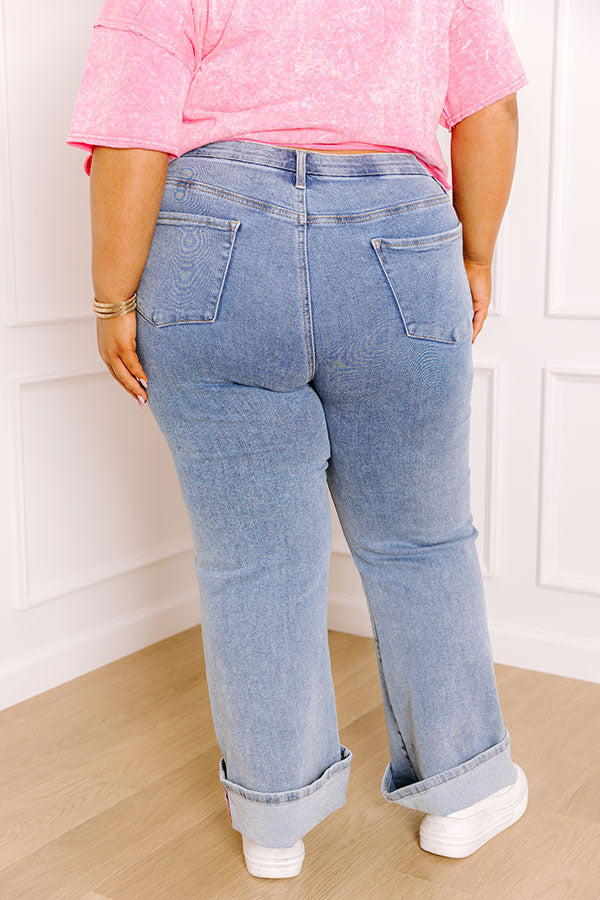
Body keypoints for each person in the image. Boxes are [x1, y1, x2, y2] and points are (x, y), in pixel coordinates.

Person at [66, 0, 530, 881]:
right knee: (421, 540)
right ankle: (466, 794)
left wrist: (113, 295)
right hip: (400, 241)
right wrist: (474, 256)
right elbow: (491, 107)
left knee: (255, 559)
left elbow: (131, 126)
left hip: (214, 244)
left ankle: (274, 819)